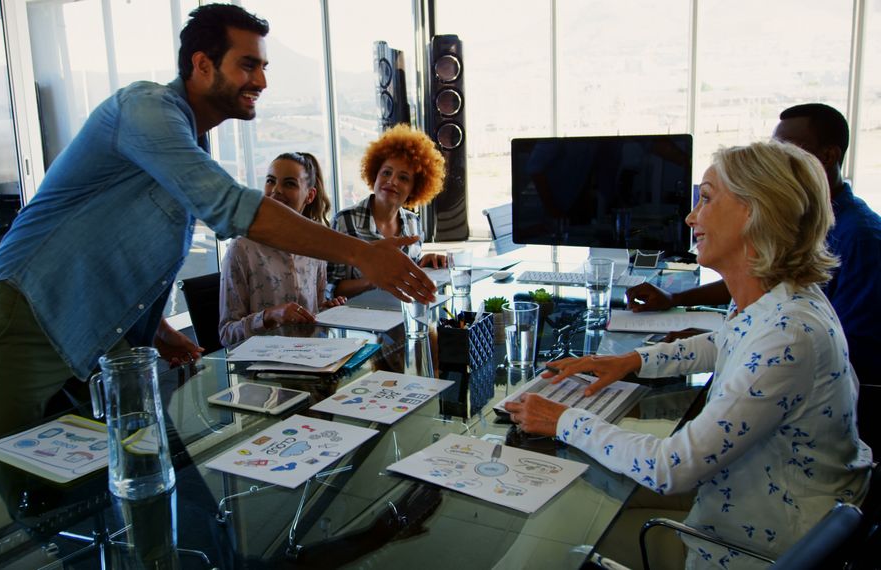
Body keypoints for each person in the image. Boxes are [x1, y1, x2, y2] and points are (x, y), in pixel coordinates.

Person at [0, 4, 435, 446]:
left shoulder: (191, 136)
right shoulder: (146, 109)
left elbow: (127, 245)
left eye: (264, 66)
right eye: (249, 65)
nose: (262, 81)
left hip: (97, 332)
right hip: (27, 316)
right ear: (203, 65)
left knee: (89, 486)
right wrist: (361, 253)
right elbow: (232, 207)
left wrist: (157, 330)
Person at [507, 141, 872, 569]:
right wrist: (634, 361)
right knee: (572, 484)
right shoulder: (782, 298)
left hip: (749, 549)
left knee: (554, 525)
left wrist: (562, 419)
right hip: (762, 503)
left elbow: (671, 467)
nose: (690, 215)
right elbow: (727, 341)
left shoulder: (788, 337)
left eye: (707, 198)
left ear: (754, 212)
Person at [626, 104, 881, 378]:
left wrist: (746, 344)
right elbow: (761, 274)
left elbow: (855, 349)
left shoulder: (862, 238)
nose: (775, 158)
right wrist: (680, 301)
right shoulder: (796, 219)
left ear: (829, 155)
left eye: (787, 149)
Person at [218, 152, 346, 347]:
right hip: (261, 369)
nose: (276, 190)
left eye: (289, 184)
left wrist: (327, 311)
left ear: (309, 195)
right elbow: (227, 335)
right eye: (271, 181)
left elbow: (314, 313)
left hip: (311, 359)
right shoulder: (241, 249)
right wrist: (270, 316)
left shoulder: (315, 249)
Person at [326, 124, 447, 299]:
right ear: (374, 175)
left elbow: (406, 275)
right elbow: (330, 289)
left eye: (403, 178)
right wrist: (374, 280)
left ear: (415, 188)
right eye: (386, 173)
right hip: (357, 320)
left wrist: (424, 263)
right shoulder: (345, 220)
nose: (392, 181)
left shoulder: (414, 223)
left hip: (402, 316)